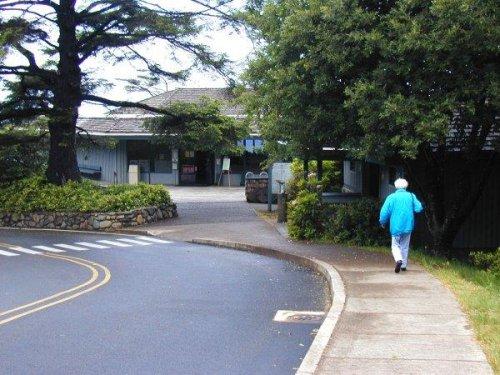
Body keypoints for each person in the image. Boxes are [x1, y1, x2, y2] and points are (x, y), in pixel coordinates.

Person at [379, 178, 423, 273]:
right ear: (406, 186)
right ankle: (403, 265)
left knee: (395, 245)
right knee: (405, 245)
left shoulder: (391, 197)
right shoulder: (411, 196)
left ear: (396, 186)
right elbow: (419, 208)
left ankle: (398, 260)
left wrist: (382, 222)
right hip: (408, 225)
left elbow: (384, 212)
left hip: (395, 226)